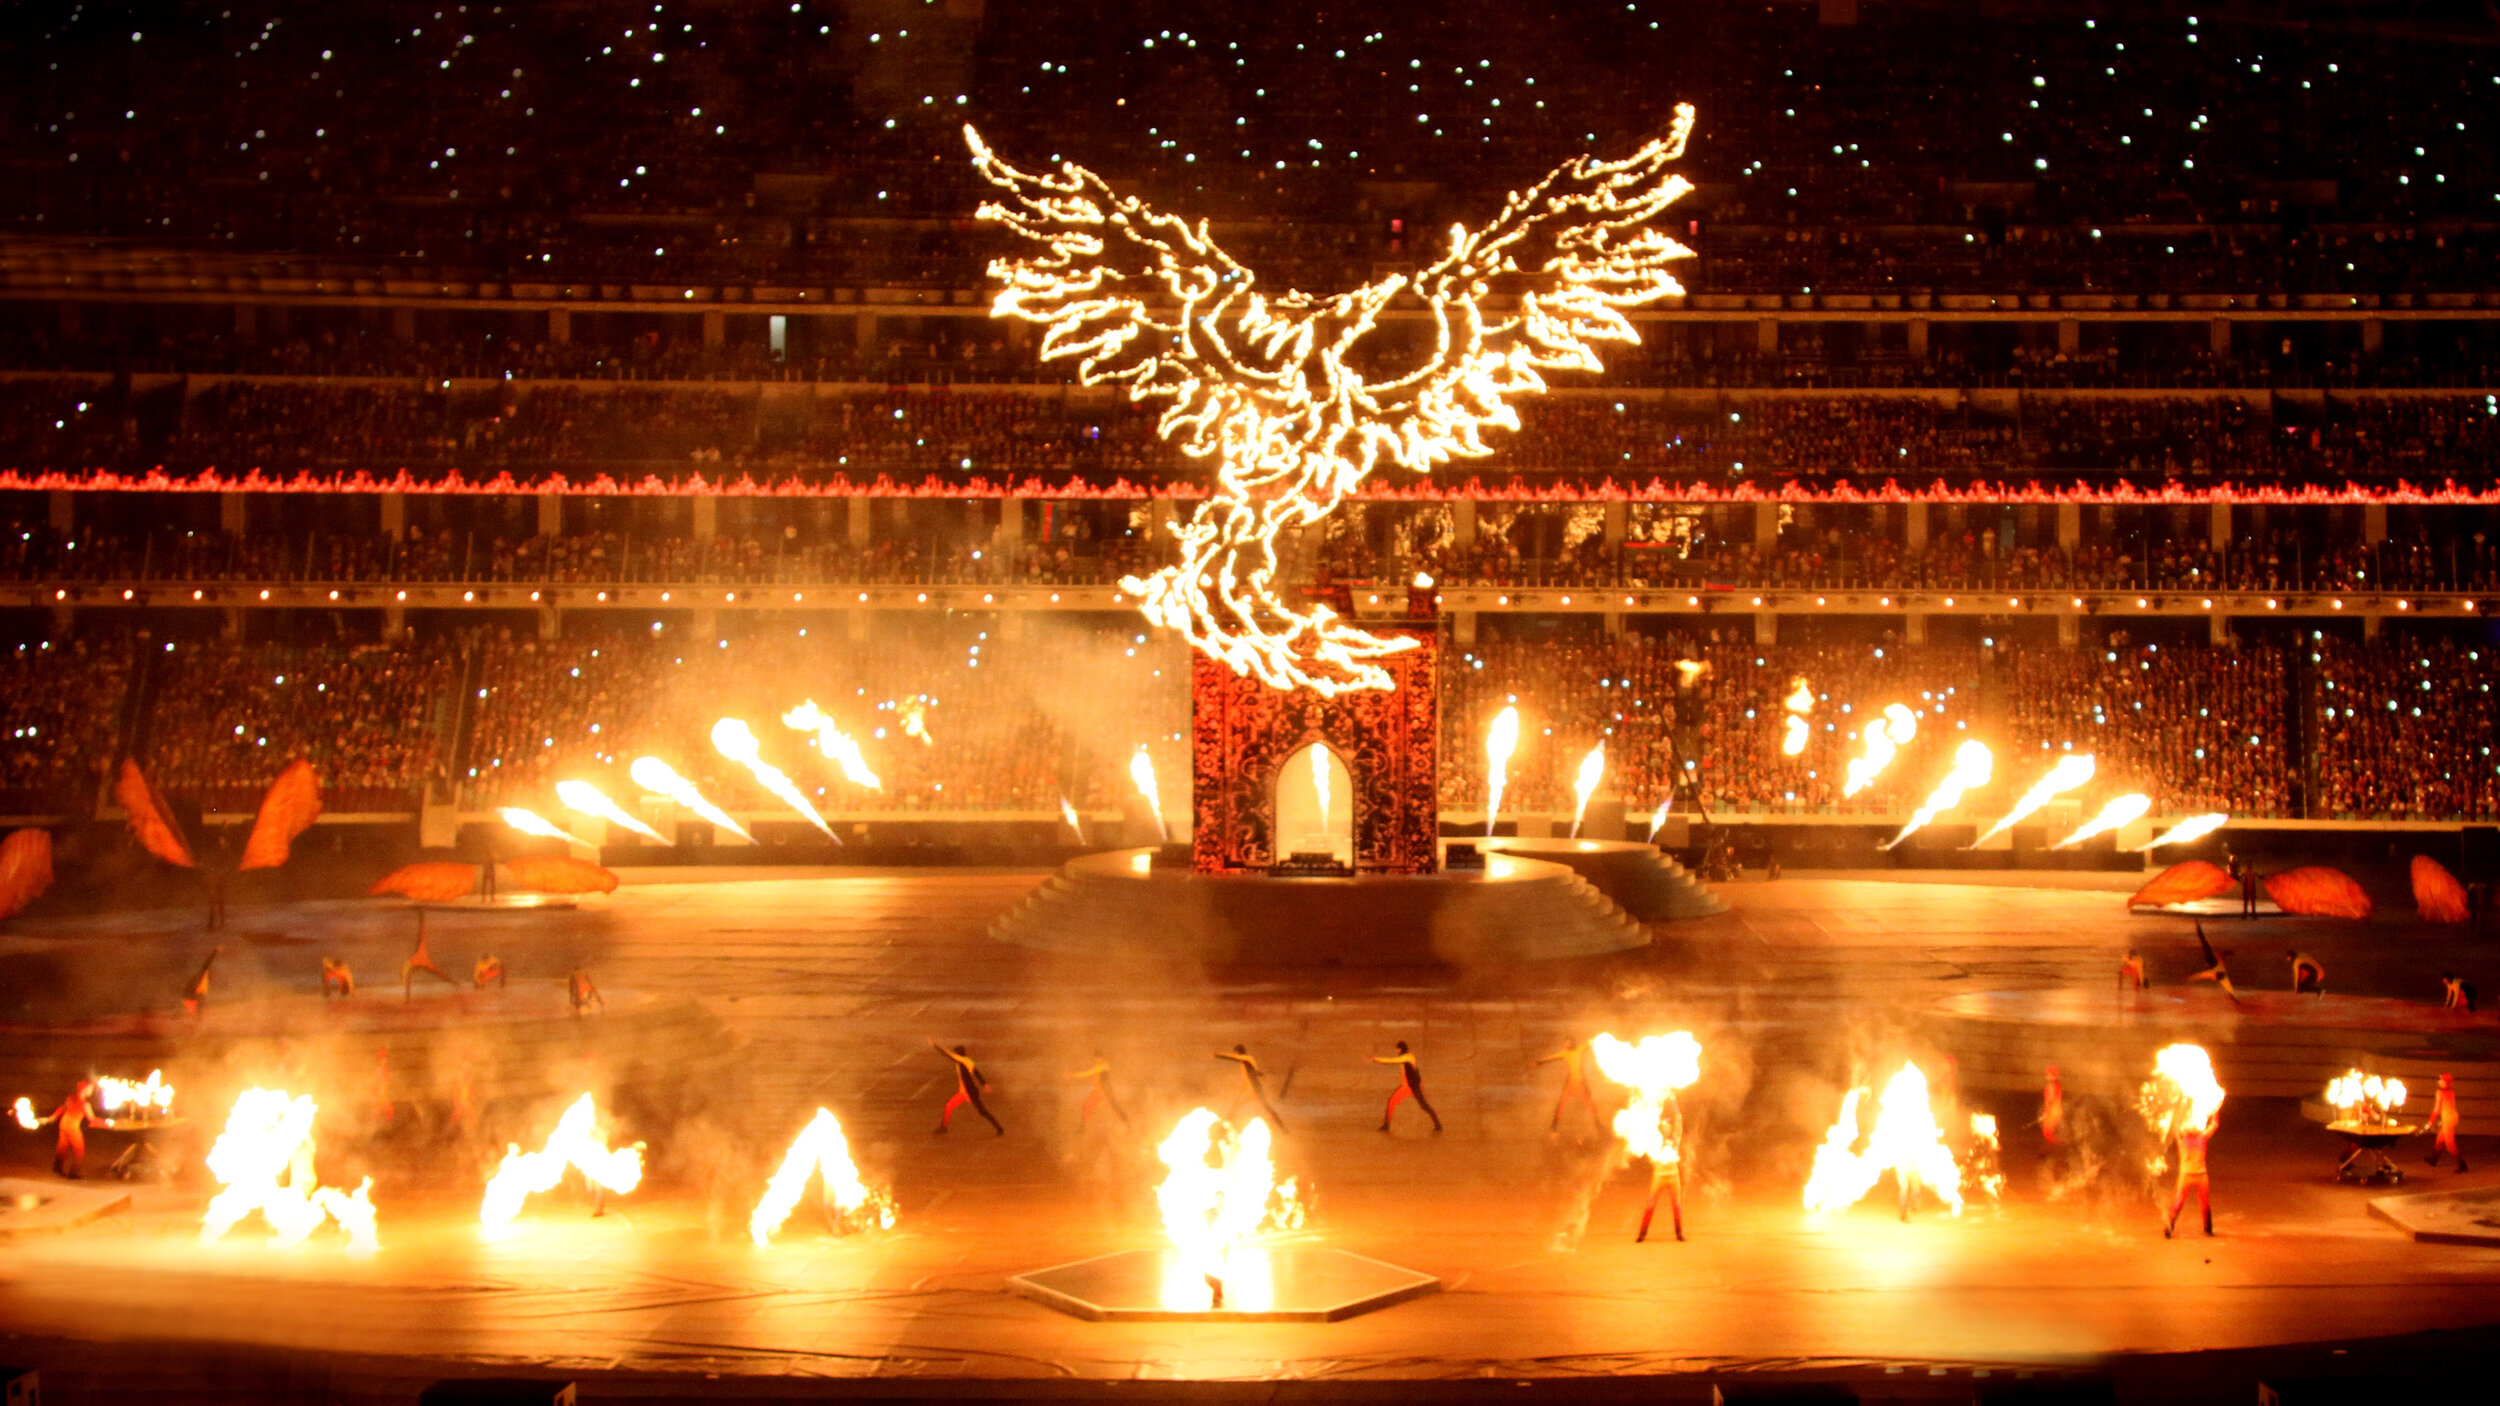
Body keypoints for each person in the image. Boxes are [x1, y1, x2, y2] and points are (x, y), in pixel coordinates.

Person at [1635, 1091, 1685, 1243]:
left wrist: (1674, 1101)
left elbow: (1679, 1120)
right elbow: (1647, 1125)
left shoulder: (1676, 1138)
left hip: (1673, 1176)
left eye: (1667, 1126)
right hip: (1659, 1176)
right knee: (1650, 1205)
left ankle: (1679, 1233)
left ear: (1670, 1127)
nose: (1665, 1128)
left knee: (1677, 1205)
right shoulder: (1655, 1140)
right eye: (1663, 1126)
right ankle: (1642, 1234)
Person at [2163, 1107, 2218, 1238]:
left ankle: (2208, 1229)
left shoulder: (2202, 1137)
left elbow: (2214, 1124)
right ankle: (2168, 1227)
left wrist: (2216, 1108)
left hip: (2201, 1176)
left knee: (2205, 1204)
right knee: (2178, 1203)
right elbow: (2176, 1125)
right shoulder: (2182, 1139)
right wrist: (2180, 1109)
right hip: (2186, 1176)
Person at [1535, 1036, 1605, 1136]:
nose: (1564, 1045)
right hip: (1571, 1084)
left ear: (1571, 1043)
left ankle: (1598, 1124)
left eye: (1566, 1043)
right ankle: (1554, 1126)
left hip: (1580, 1083)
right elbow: (1552, 1057)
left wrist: (1594, 1040)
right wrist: (1539, 1062)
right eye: (1564, 1043)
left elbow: (1588, 1043)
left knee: (1590, 1104)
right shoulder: (1565, 1053)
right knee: (1561, 1104)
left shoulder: (1579, 1049)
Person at [931, 1040, 1005, 1136]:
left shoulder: (961, 1061)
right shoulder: (968, 1061)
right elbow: (976, 1073)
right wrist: (984, 1084)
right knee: (949, 1106)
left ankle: (999, 1128)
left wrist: (935, 1045)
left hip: (970, 1093)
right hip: (963, 1092)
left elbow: (946, 1054)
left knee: (983, 1112)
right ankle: (943, 1127)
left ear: (958, 1054)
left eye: (955, 1053)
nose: (954, 1055)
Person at [1372, 1040, 1443, 1134]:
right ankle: (1437, 1124)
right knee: (1423, 1106)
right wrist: (1420, 1083)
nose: (1397, 1051)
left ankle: (1386, 1125)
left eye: (1397, 1049)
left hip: (1410, 1087)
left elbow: (1391, 1061)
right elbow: (1416, 1070)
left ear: (1400, 1049)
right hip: (1410, 1086)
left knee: (1393, 1102)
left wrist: (1375, 1059)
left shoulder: (1405, 1058)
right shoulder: (1411, 1057)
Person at [1216, 1044, 1288, 1133]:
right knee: (1236, 1107)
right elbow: (1253, 1070)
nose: (1235, 1055)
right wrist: (1260, 1074)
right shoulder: (1247, 1060)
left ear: (1238, 1052)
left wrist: (1219, 1055)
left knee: (1266, 1107)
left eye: (1235, 1053)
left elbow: (1234, 1058)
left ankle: (1282, 1128)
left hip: (1254, 1089)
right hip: (1248, 1089)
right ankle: (1222, 1130)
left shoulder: (1245, 1058)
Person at [33, 1080, 95, 1178]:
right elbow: (92, 1119)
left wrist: (52, 1117)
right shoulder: (85, 1104)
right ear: (85, 1089)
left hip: (63, 1124)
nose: (92, 1090)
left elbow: (62, 1108)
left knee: (62, 1146)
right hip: (72, 1127)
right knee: (79, 1150)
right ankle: (74, 1173)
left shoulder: (70, 1097)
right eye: (91, 1088)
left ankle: (57, 1167)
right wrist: (110, 1122)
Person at [1069, 1053, 1130, 1131]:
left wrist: (1073, 1075)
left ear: (1101, 1058)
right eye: (1095, 1059)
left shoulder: (1103, 1066)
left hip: (1105, 1092)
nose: (1096, 1060)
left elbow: (1086, 1073)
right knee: (1087, 1106)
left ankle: (1126, 1123)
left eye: (1097, 1058)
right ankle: (1083, 1127)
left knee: (1115, 1108)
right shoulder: (1100, 1066)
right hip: (1099, 1092)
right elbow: (1089, 1074)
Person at [2422, 1071, 2468, 1173]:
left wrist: (2430, 1123)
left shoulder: (2440, 1093)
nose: (2439, 1081)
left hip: (2448, 1120)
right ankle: (2433, 1159)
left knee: (2450, 1144)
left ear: (2445, 1082)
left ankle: (2462, 1165)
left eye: (2441, 1079)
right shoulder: (2451, 1092)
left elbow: (2437, 1109)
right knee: (2439, 1140)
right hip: (2452, 1118)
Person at [2188, 925, 2242, 1006]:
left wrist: (2191, 978)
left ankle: (2199, 930)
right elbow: (2221, 955)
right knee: (2205, 945)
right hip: (2213, 962)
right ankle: (2199, 930)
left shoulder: (2216, 975)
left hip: (2212, 962)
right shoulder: (2222, 975)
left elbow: (2200, 975)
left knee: (2205, 945)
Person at [2039, 1065, 2067, 1149]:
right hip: (2056, 1111)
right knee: (2050, 1134)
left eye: (2048, 1074)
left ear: (2053, 1075)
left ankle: (2055, 1151)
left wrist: (2045, 1113)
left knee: (2048, 1134)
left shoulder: (2052, 1086)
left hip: (2052, 1112)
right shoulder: (2057, 1084)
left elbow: (2050, 1101)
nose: (2046, 1076)